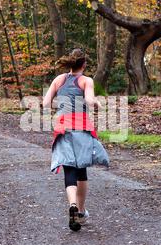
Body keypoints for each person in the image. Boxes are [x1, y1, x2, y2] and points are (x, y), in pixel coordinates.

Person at [43, 49, 110, 232]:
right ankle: (80, 212)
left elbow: (46, 103)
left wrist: (63, 104)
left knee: (69, 168)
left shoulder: (59, 79)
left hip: (62, 128)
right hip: (81, 128)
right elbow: (88, 101)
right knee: (82, 169)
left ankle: (72, 204)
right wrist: (96, 102)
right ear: (84, 64)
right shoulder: (86, 80)